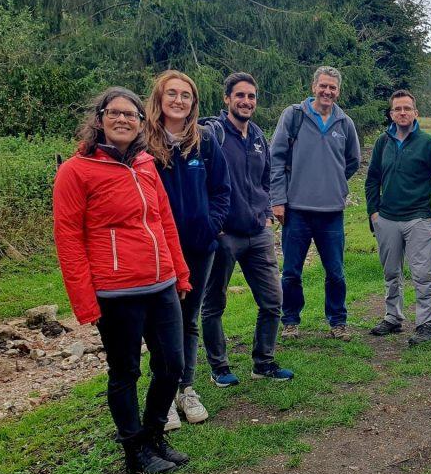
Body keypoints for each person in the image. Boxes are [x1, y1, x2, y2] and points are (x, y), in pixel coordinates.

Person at [53, 87, 191, 474]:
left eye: (131, 115)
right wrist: (84, 301)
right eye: (114, 113)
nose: (123, 120)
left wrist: (179, 272)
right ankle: (135, 451)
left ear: (140, 123)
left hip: (161, 284)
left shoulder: (146, 164)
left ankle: (154, 434)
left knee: (171, 366)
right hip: (116, 291)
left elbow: (164, 221)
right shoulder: (76, 171)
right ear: (99, 119)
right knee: (126, 370)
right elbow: (68, 239)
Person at [145, 70, 231, 429]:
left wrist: (210, 226)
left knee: (189, 320)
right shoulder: (144, 143)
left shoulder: (205, 141)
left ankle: (187, 388)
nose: (179, 100)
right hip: (158, 250)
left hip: (198, 246)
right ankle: (162, 396)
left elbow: (221, 190)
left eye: (186, 95)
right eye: (172, 94)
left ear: (194, 103)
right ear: (159, 99)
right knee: (161, 323)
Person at [201, 72, 293, 386]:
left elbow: (265, 179)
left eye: (251, 96)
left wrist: (266, 214)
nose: (246, 101)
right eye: (240, 95)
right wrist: (215, 226)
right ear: (227, 99)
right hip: (225, 236)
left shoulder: (256, 135)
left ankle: (263, 363)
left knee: (272, 300)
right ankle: (220, 367)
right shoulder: (213, 135)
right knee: (214, 304)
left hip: (258, 232)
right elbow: (201, 184)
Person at [270, 66, 361, 340]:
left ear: (338, 91)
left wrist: (334, 181)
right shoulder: (294, 116)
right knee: (291, 272)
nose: (327, 91)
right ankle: (291, 321)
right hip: (296, 210)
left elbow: (352, 161)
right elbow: (276, 158)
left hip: (331, 212)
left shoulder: (345, 123)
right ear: (313, 87)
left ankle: (337, 321)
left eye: (332, 87)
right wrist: (278, 200)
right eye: (323, 86)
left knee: (335, 272)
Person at [364, 90, 431, 346]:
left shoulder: (427, 142)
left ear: (416, 113)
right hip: (387, 219)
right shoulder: (383, 142)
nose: (402, 113)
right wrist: (374, 213)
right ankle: (393, 317)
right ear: (391, 114)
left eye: (407, 109)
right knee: (391, 272)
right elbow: (372, 179)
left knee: (422, 274)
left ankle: (426, 324)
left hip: (418, 218)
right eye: (397, 109)